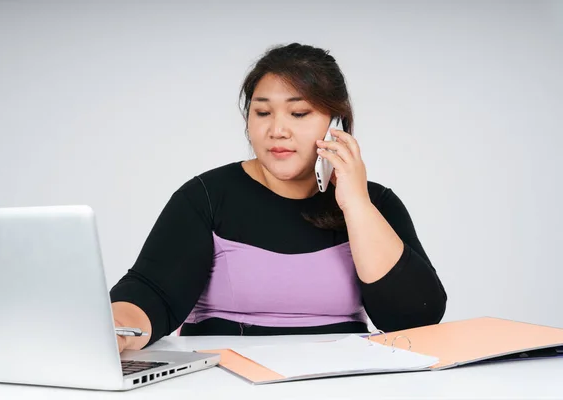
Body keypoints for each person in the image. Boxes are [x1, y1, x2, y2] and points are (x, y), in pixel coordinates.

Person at [110, 42, 447, 353]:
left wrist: (356, 204)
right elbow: (152, 293)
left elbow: (415, 320)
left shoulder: (376, 204)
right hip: (223, 382)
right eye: (263, 113)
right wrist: (115, 327)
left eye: (298, 114)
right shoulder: (205, 197)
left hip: (339, 383)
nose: (277, 130)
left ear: (336, 123)